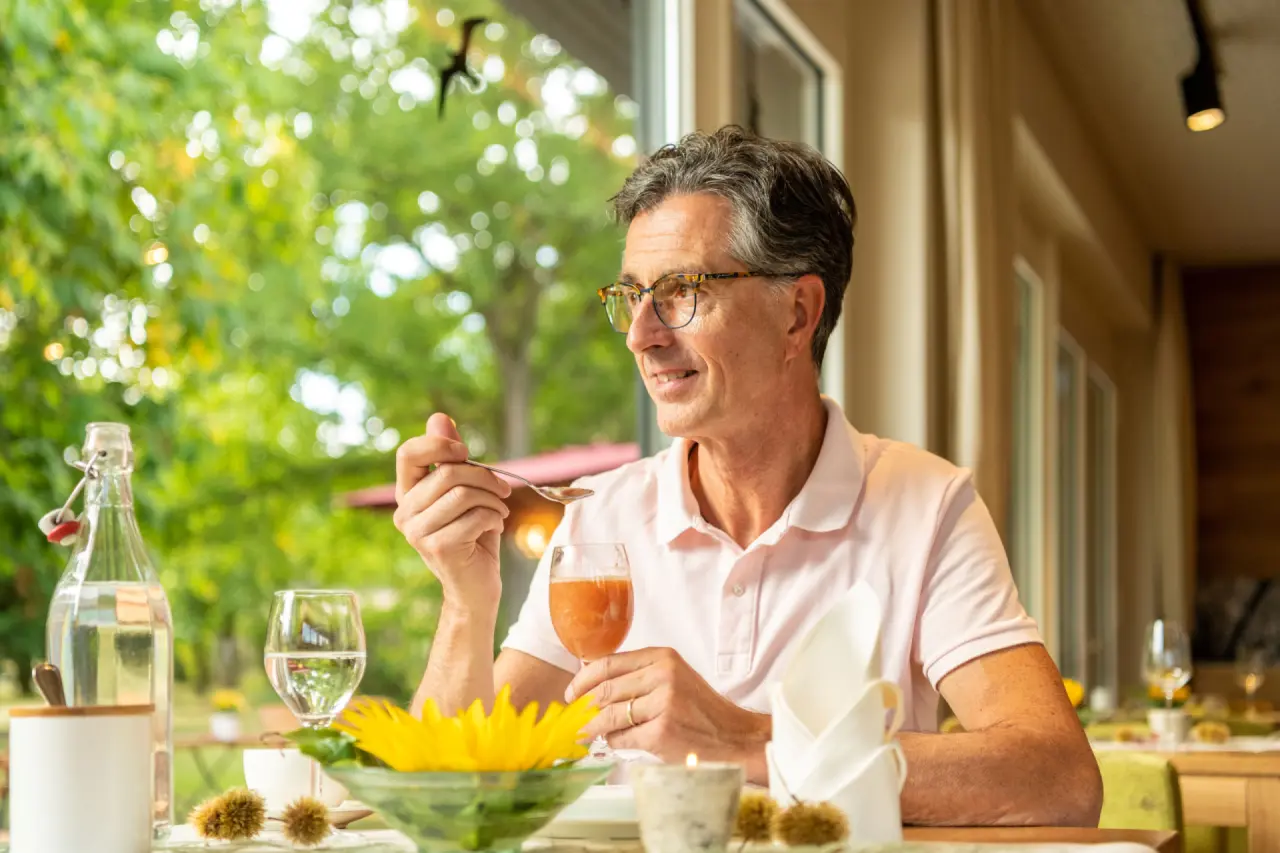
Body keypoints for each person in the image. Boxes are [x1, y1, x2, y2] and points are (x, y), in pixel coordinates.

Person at [393, 126, 1102, 826]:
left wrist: (744, 738)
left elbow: (1056, 775)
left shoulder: (926, 505)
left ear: (798, 313)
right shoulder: (601, 514)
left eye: (681, 291)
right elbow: (456, 796)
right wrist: (465, 597)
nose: (641, 334)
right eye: (631, 295)